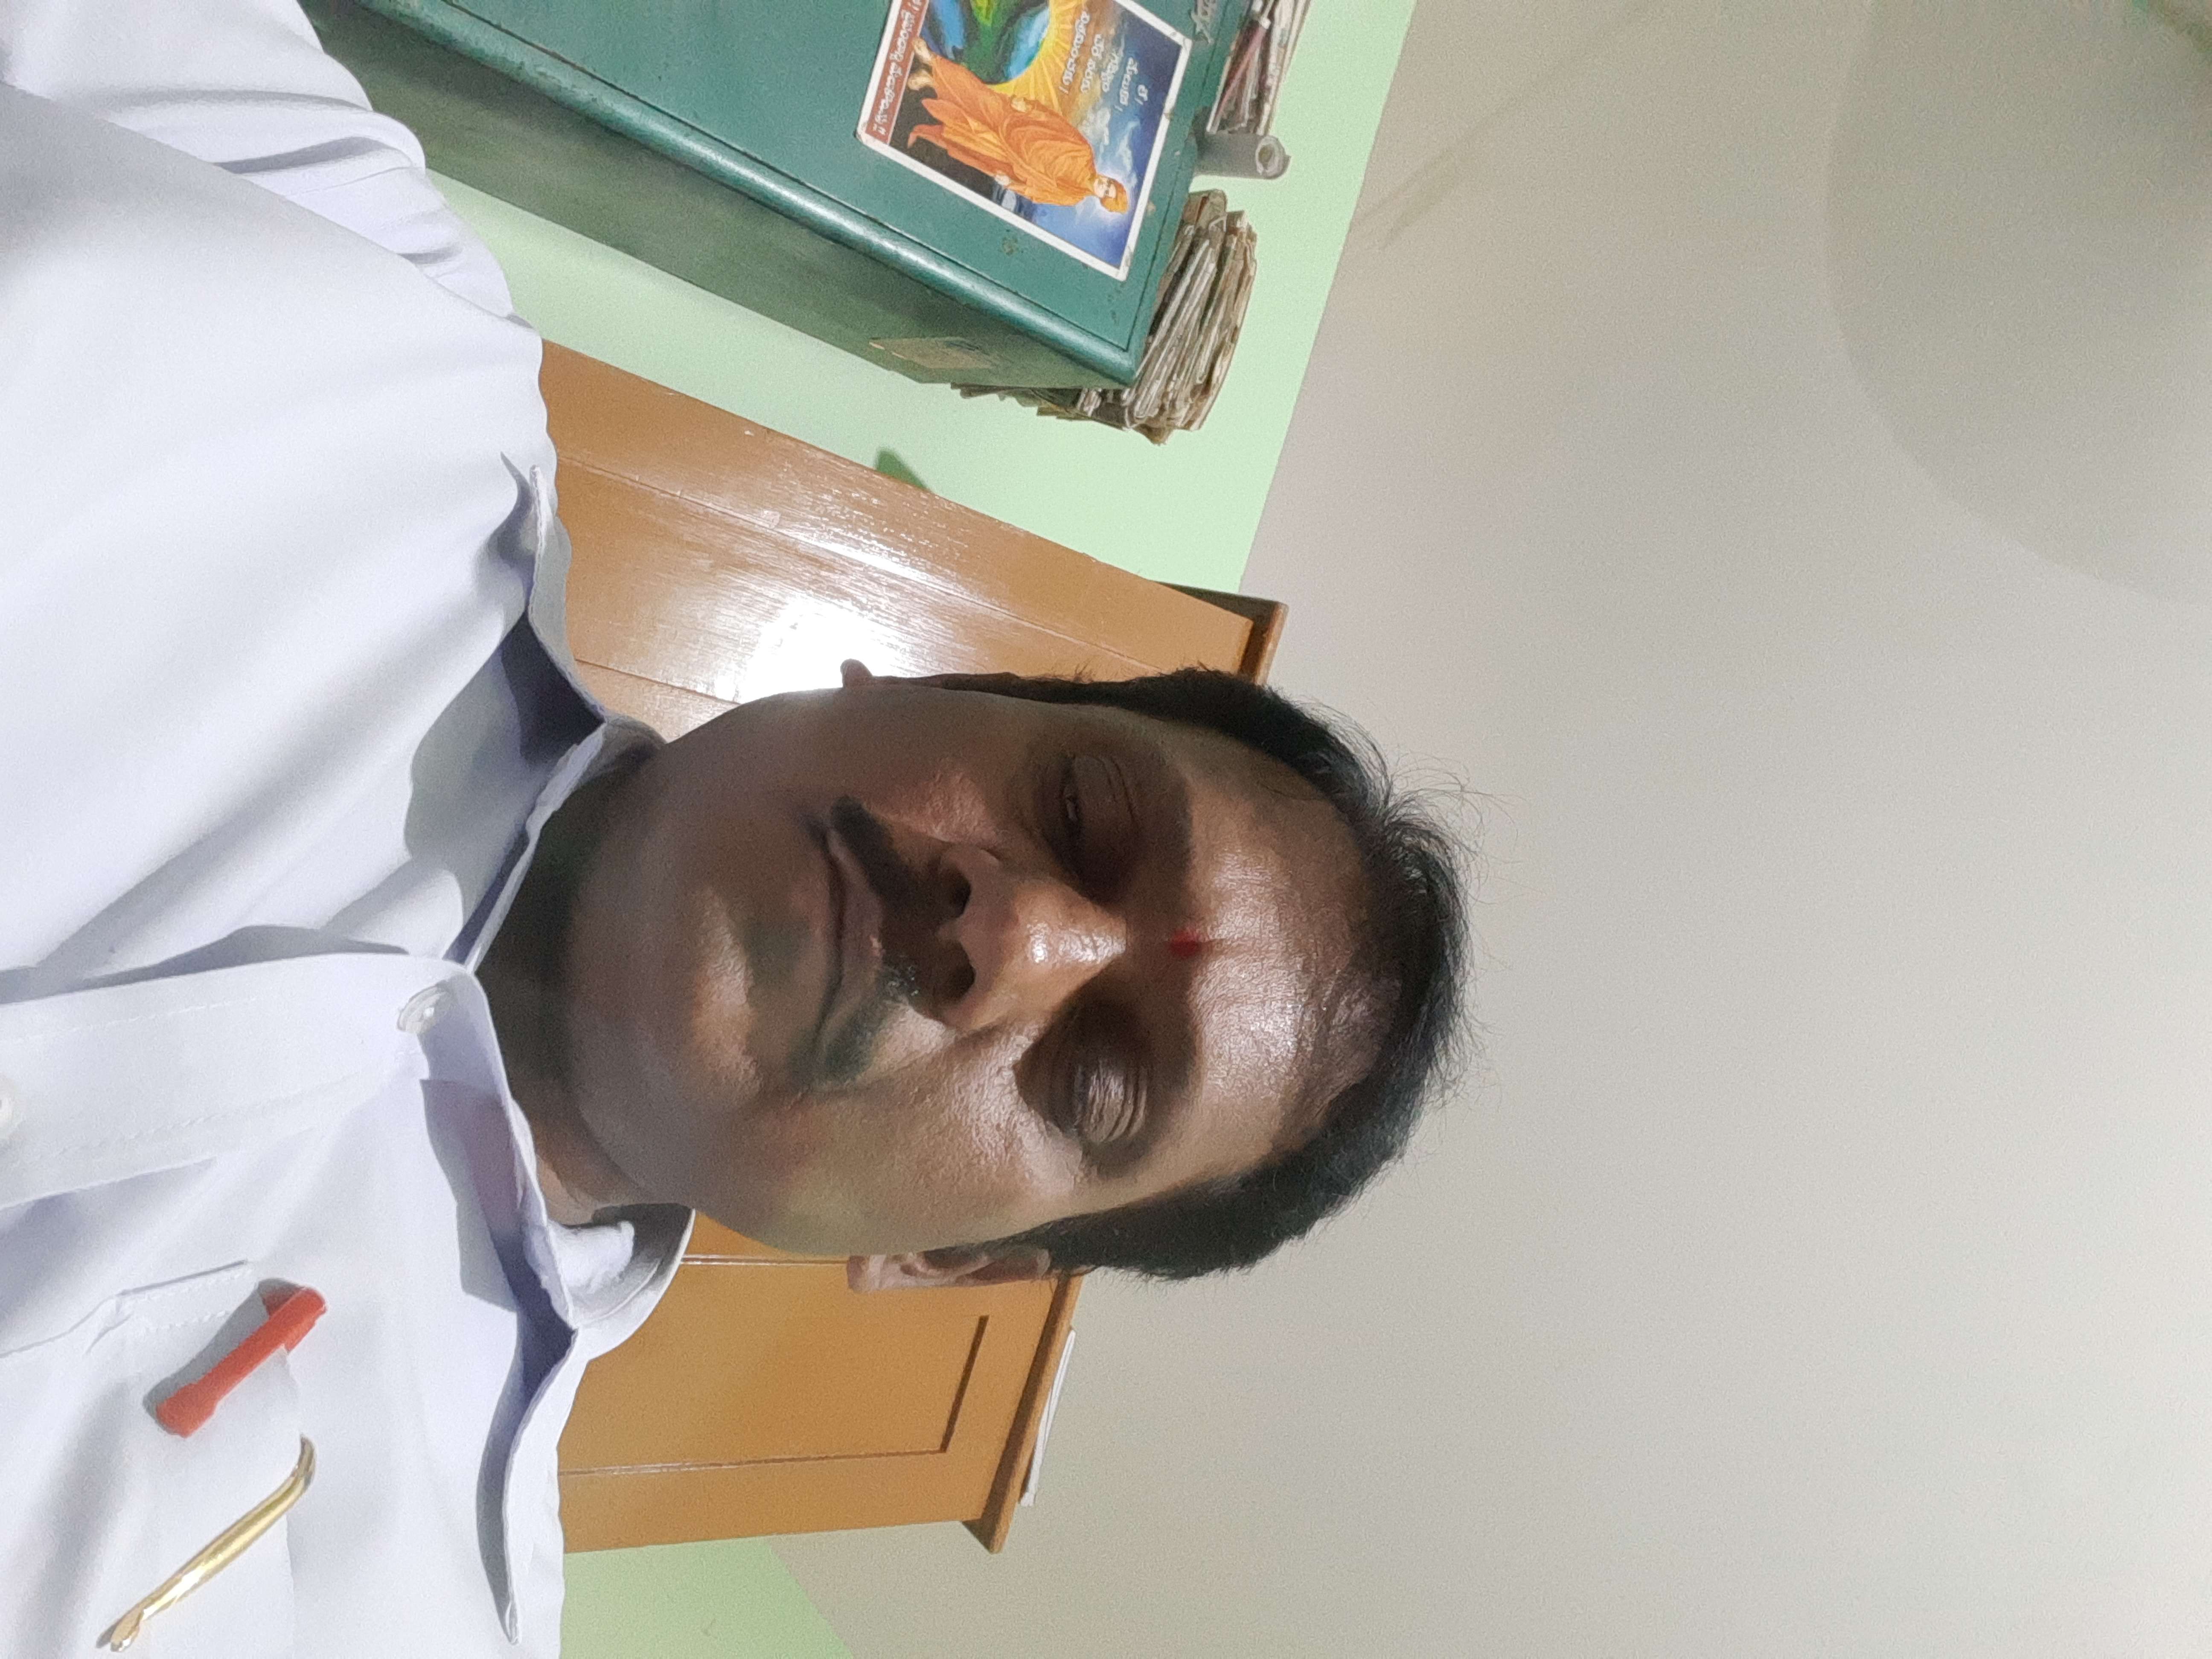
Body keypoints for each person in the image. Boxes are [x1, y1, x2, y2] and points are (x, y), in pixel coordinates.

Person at [0, 0, 1465, 1654]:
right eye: (1079, 809)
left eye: (1099, 1078)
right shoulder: (369, 312)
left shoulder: (411, 1617)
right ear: (921, 684)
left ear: (952, 1260)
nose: (1009, 932)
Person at [906, 45, 1131, 213]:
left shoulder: (1071, 197)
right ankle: (933, 61)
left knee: (968, 134)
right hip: (1017, 123)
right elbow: (1056, 124)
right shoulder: (1085, 153)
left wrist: (1011, 184)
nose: (1104, 185)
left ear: (1101, 199)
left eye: (1106, 192)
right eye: (1109, 184)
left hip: (1009, 159)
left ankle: (931, 82)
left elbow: (1037, 194)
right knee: (979, 97)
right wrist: (1029, 109)